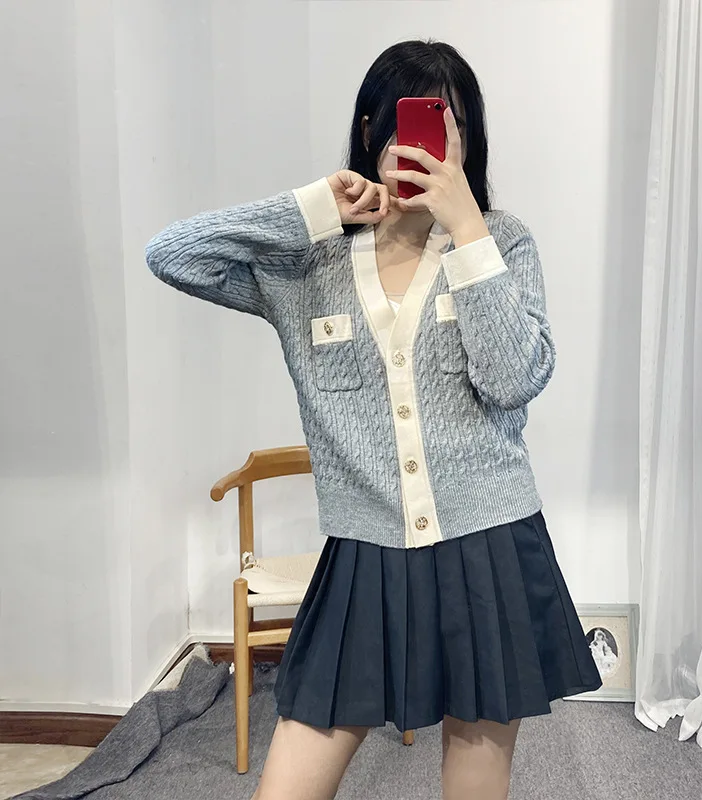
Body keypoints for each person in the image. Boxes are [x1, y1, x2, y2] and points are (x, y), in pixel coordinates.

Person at [146, 38, 602, 800]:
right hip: (363, 553)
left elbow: (515, 379)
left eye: (442, 127)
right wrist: (314, 209)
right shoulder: (309, 265)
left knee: (475, 779)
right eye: (398, 123)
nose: (416, 144)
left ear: (466, 141)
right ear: (370, 132)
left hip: (489, 547)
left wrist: (467, 228)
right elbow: (173, 255)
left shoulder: (501, 242)